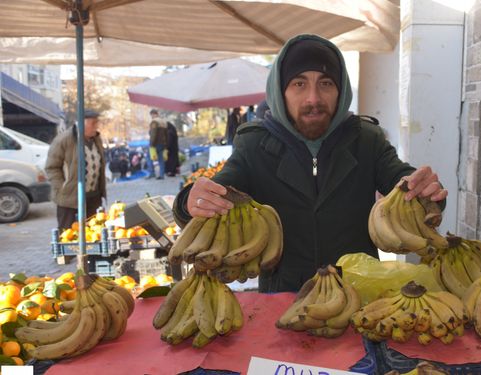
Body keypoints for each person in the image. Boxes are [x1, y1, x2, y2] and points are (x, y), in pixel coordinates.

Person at [172, 34, 447, 293]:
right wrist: (189, 201)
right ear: (281, 91)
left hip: (357, 292)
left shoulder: (367, 139)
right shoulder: (254, 145)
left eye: (326, 83)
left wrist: (426, 191)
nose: (313, 99)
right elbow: (218, 188)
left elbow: (401, 178)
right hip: (283, 297)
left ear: (340, 91)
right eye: (299, 84)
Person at [45, 109, 107, 231]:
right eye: (93, 123)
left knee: (95, 234)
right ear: (82, 123)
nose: (96, 126)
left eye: (97, 122)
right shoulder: (64, 140)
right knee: (68, 234)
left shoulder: (96, 139)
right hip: (70, 200)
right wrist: (62, 188)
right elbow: (51, 167)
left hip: (93, 198)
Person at [148, 109, 168, 180]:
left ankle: (151, 173)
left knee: (149, 157)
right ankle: (162, 175)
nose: (151, 117)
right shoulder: (163, 122)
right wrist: (166, 144)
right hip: (162, 144)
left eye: (151, 115)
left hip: (155, 144)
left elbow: (153, 134)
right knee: (161, 159)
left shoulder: (154, 122)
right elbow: (166, 135)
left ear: (153, 114)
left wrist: (151, 144)